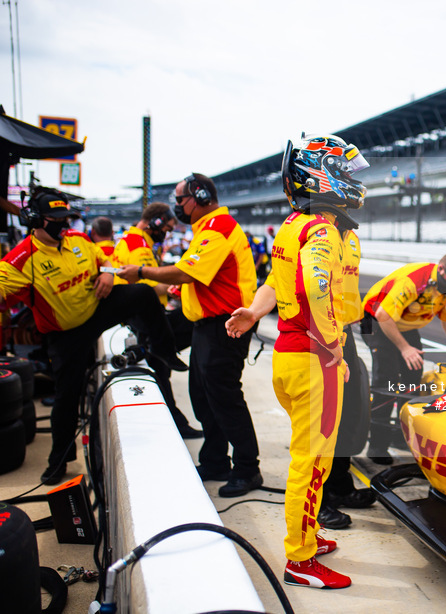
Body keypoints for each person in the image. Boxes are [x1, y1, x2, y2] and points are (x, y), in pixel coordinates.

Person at [225, 133, 370, 589]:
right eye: (344, 170)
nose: (351, 179)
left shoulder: (294, 225)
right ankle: (299, 560)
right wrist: (334, 349)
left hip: (289, 359)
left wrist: (253, 311)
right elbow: (317, 286)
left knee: (309, 458)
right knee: (312, 463)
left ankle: (307, 534)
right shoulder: (322, 229)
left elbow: (275, 280)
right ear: (321, 174)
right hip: (315, 359)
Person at [0, 187, 187, 484]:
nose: (63, 224)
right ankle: (58, 461)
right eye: (55, 218)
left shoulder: (78, 239)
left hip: (96, 308)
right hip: (66, 335)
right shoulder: (20, 259)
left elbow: (104, 257)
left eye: (65, 218)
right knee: (66, 397)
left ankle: (164, 350)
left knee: (142, 293)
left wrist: (107, 273)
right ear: (36, 219)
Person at [117, 173, 260, 498]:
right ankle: (215, 461)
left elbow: (187, 270)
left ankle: (248, 469)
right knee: (203, 396)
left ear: (199, 197)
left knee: (224, 399)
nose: (177, 207)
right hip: (207, 325)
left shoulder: (218, 228)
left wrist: (142, 272)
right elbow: (196, 276)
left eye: (180, 200)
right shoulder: (205, 230)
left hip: (226, 325)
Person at [360, 253, 446, 465]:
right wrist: (404, 348)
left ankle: (400, 435)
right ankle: (377, 445)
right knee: (388, 379)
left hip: (404, 324)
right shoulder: (413, 282)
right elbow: (383, 315)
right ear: (441, 269)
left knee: (413, 376)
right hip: (376, 320)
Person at [111, 202, 201, 439]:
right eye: (167, 228)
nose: (168, 233)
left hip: (137, 315)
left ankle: (175, 422)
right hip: (144, 317)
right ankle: (174, 424)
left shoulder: (131, 239)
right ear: (157, 221)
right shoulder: (139, 246)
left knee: (161, 369)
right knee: (161, 367)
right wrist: (177, 282)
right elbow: (150, 286)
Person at [319, 226, 376, 528]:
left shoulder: (350, 236)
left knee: (350, 413)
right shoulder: (314, 231)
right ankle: (319, 499)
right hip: (320, 332)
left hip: (344, 331)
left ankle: (340, 486)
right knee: (325, 419)